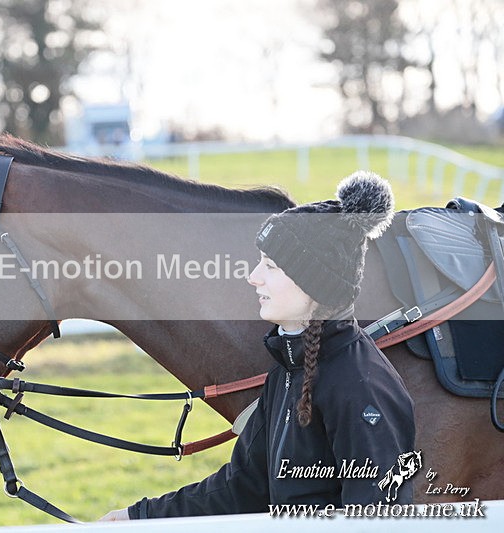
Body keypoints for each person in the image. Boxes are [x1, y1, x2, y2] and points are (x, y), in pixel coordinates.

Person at [101, 171, 416, 520]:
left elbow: (378, 520)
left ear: (313, 282)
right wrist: (137, 517)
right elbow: (242, 489)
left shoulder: (361, 386)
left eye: (271, 266)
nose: (254, 277)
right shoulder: (285, 372)